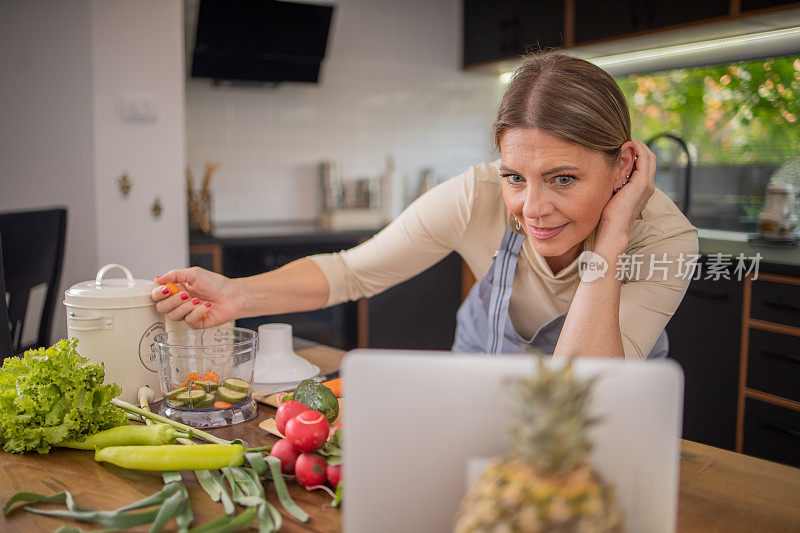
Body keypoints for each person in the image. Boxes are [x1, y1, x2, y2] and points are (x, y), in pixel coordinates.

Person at [152, 53, 698, 360]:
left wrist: (612, 241)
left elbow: (586, 395)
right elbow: (350, 272)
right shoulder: (477, 195)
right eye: (515, 176)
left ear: (624, 165)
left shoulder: (664, 240)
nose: (533, 208)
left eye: (563, 179)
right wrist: (237, 294)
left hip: (602, 434)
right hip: (481, 409)